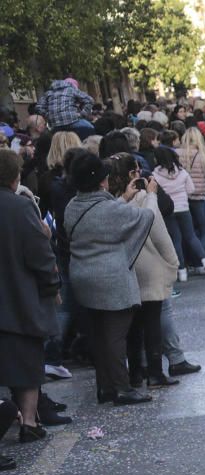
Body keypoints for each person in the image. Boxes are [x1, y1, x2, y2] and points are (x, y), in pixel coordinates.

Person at [63, 152, 154, 405]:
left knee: (98, 336)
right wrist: (148, 196)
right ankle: (123, 388)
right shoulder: (109, 208)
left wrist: (123, 199)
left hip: (82, 277)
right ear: (102, 181)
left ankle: (105, 387)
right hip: (111, 278)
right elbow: (144, 218)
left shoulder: (72, 207)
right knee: (115, 336)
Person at [0, 149, 61, 443]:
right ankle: (28, 421)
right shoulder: (19, 207)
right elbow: (39, 254)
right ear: (15, 177)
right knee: (27, 362)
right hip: (18, 298)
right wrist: (52, 283)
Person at [105, 153, 180, 388]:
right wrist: (172, 260)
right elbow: (156, 227)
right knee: (152, 322)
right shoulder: (142, 198)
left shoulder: (109, 201)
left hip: (126, 267)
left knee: (134, 325)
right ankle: (156, 373)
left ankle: (136, 372)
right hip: (149, 263)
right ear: (132, 174)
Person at [177, 127, 205, 266]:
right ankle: (202, 262)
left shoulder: (176, 154)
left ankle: (190, 262)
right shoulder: (203, 155)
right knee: (203, 231)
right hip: (199, 196)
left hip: (181, 198)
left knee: (188, 233)